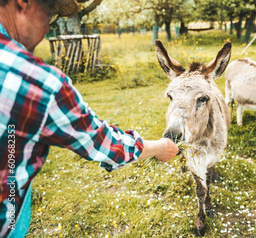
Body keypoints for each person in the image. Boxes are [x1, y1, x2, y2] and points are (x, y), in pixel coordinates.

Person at [0, 0, 179, 237]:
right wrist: (160, 147)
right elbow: (101, 141)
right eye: (51, 14)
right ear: (24, 2)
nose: (46, 29)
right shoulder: (39, 83)